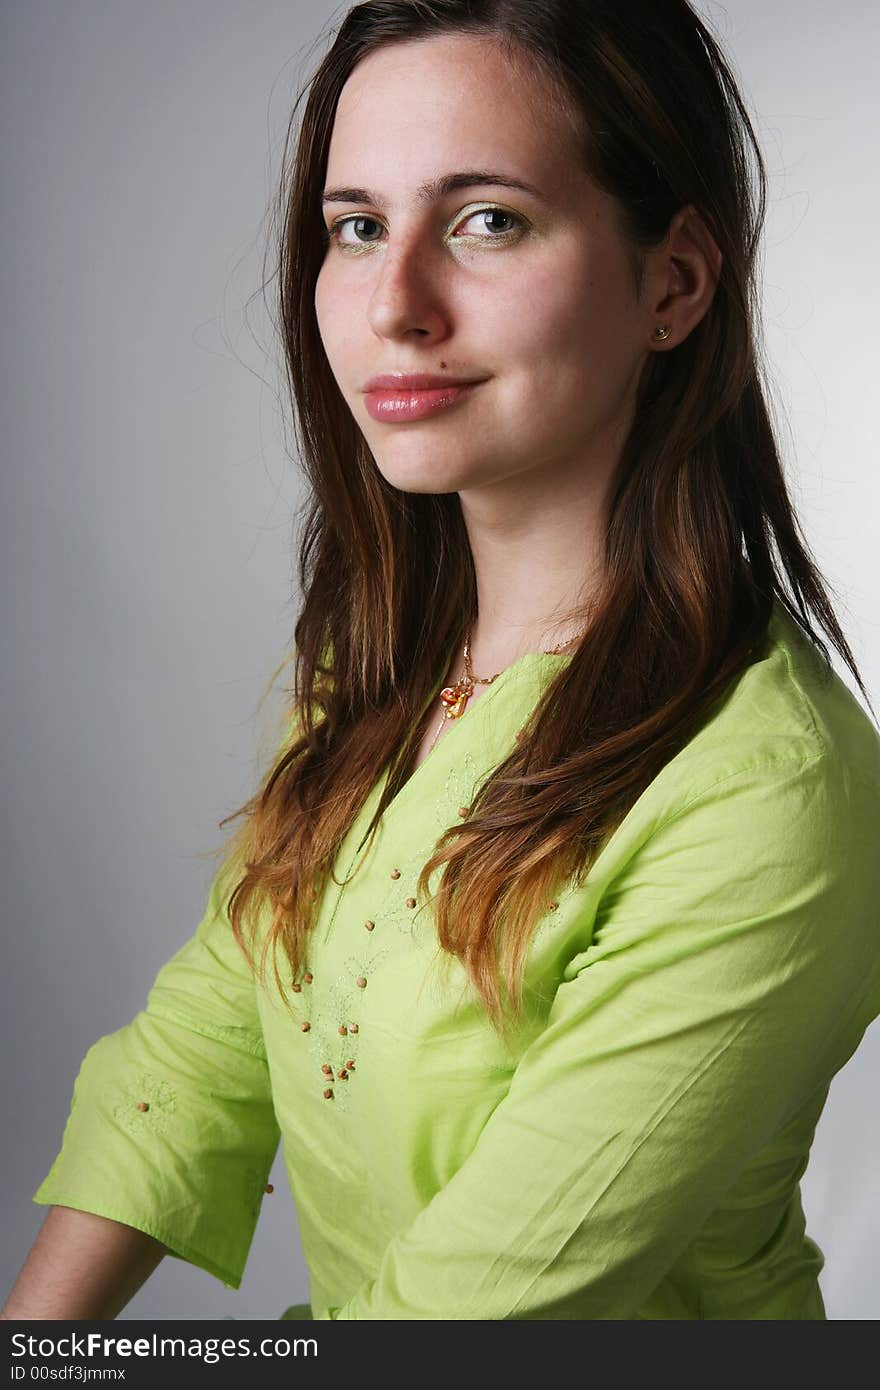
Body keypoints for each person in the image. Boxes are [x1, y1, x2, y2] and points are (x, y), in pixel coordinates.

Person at [3, 0, 879, 1322]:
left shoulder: (769, 792)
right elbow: (210, 1036)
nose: (393, 302)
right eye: (357, 227)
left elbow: (462, 1321)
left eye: (488, 221)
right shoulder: (385, 665)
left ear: (675, 283)